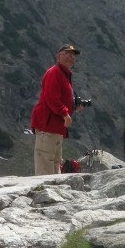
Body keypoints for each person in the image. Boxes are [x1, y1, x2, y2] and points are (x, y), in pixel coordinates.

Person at [30, 44, 82, 175]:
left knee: (55, 164)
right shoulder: (54, 73)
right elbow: (51, 98)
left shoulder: (63, 75)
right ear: (58, 56)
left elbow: (59, 99)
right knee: (45, 166)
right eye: (67, 54)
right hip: (47, 127)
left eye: (73, 55)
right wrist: (65, 113)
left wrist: (72, 108)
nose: (70, 57)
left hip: (56, 128)